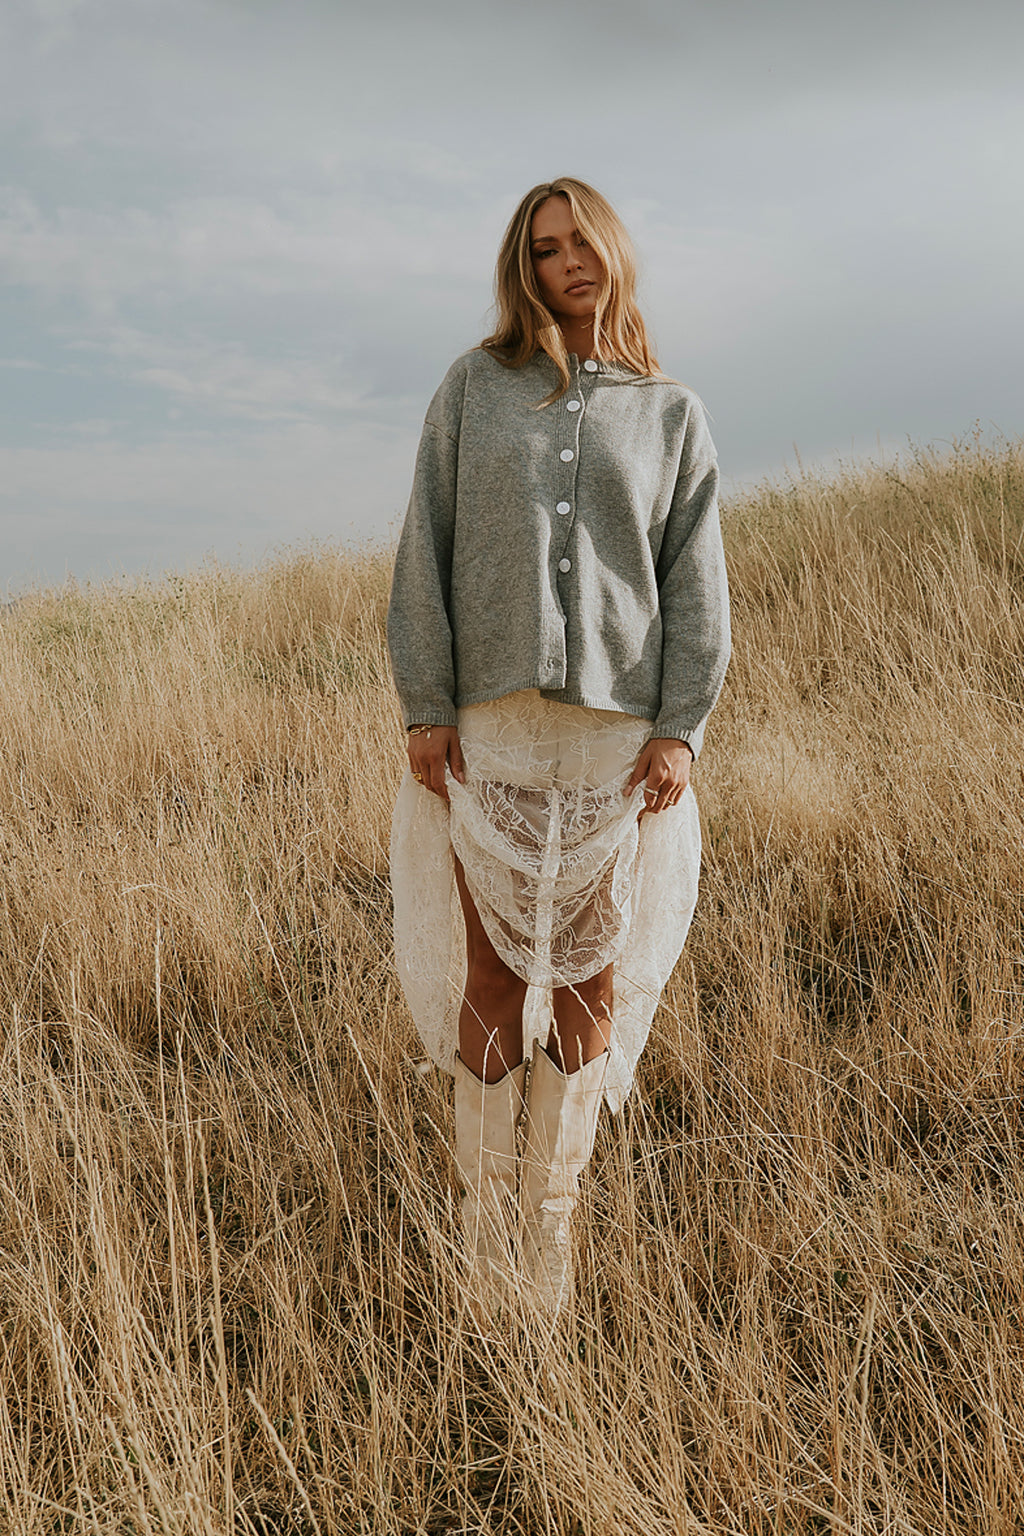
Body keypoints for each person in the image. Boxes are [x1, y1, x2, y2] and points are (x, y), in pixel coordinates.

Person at [386, 177, 730, 1323]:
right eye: (542, 250)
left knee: (584, 988)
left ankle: (546, 1259)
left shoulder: (670, 413)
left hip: (614, 754)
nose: (565, 262)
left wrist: (680, 726)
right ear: (520, 269)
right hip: (490, 737)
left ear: (612, 248)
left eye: (580, 241)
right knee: (491, 979)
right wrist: (426, 703)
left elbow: (695, 584)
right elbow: (421, 550)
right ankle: (479, 1262)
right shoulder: (473, 389)